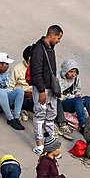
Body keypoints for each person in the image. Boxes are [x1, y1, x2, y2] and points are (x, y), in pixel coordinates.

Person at [27, 25, 64, 155]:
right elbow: (36, 72)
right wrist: (41, 90)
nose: (58, 41)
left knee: (50, 116)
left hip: (51, 89)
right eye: (58, 38)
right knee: (40, 115)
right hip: (42, 89)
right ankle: (39, 144)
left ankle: (50, 143)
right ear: (52, 35)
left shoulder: (50, 48)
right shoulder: (38, 49)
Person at [57, 59, 90, 135]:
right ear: (65, 71)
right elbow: (59, 96)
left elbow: (78, 88)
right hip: (62, 103)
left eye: (74, 71)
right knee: (77, 101)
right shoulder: (58, 78)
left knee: (87, 99)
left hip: (73, 99)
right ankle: (83, 125)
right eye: (71, 72)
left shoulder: (75, 78)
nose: (73, 74)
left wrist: (78, 93)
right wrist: (73, 97)